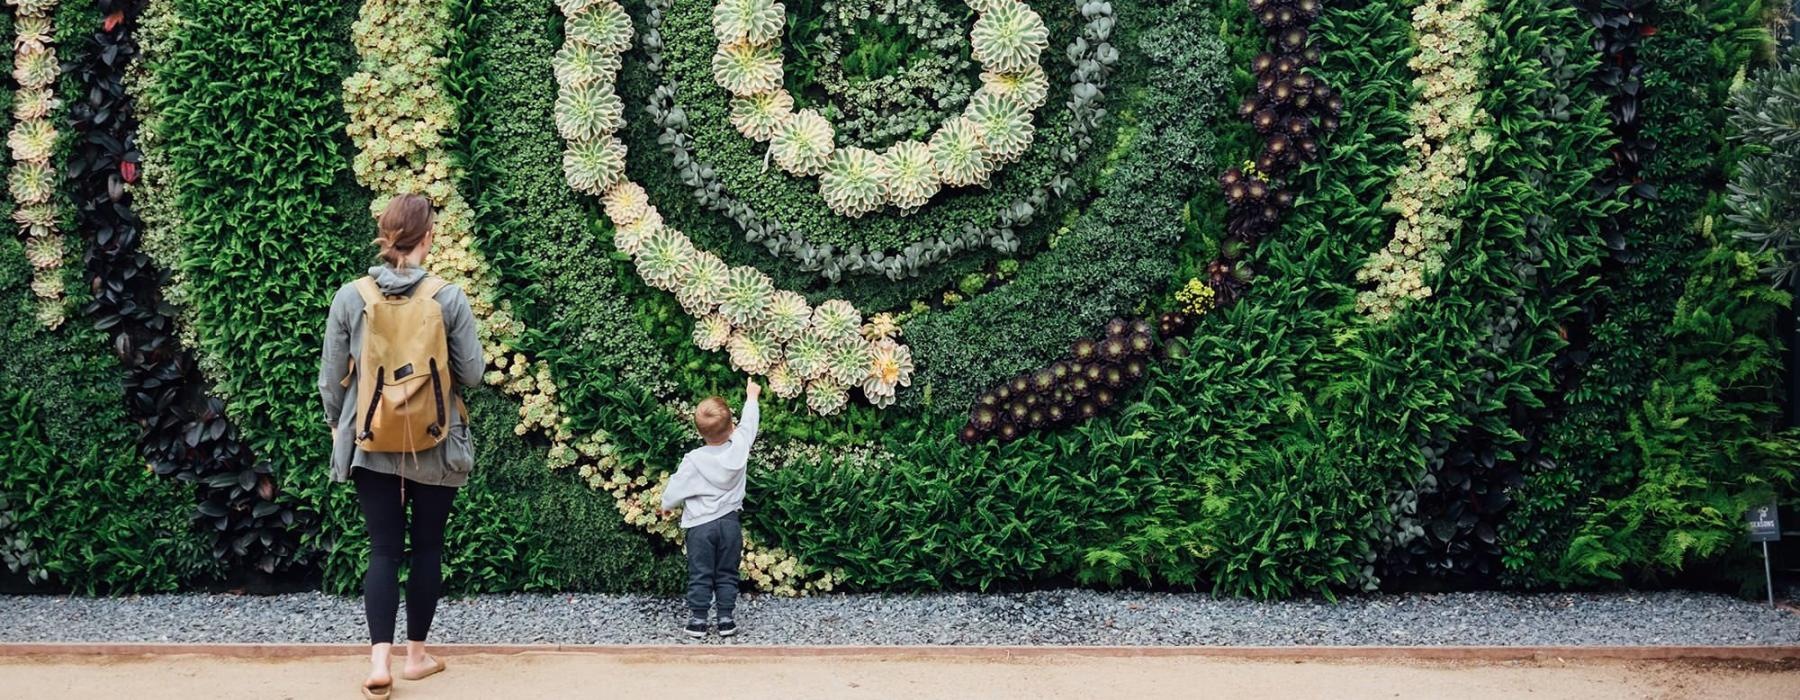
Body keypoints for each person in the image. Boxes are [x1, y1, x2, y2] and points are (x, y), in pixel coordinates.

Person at [318, 193, 482, 699]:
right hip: (435, 440)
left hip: (370, 437)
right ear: (428, 236)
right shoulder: (447, 297)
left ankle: (378, 662)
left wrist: (337, 426)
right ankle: (416, 657)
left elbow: (330, 379)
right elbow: (473, 374)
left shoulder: (352, 296)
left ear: (385, 235)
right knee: (428, 547)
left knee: (383, 549)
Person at [660, 379, 761, 639]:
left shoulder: (694, 460)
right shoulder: (740, 447)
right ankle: (726, 620)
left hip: (700, 526)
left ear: (699, 431)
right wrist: (751, 396)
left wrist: (666, 506)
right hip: (729, 523)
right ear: (732, 426)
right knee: (727, 572)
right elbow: (750, 425)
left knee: (700, 572)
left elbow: (676, 487)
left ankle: (698, 621)